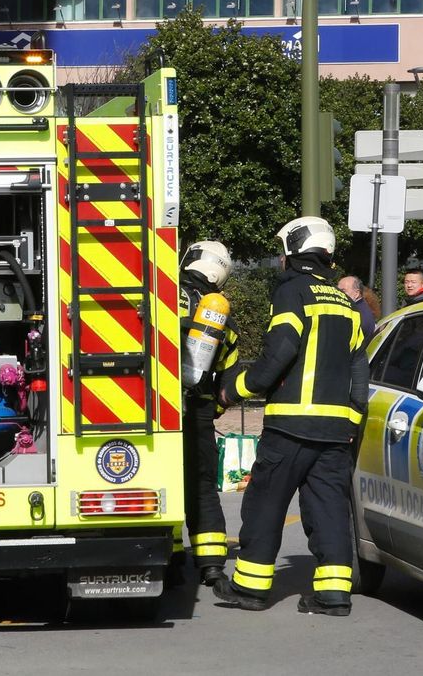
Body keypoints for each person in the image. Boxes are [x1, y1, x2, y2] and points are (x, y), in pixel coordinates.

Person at [214, 216, 369, 617]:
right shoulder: (347, 304)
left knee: (265, 505)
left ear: (294, 252)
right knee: (330, 510)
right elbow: (359, 374)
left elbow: (278, 355)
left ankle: (249, 589)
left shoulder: (292, 293)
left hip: (290, 427)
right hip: (335, 433)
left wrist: (234, 391)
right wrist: (351, 424)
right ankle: (334, 595)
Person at [178, 240, 241, 587]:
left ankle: (171, 557)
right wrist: (212, 409)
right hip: (199, 408)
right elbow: (228, 380)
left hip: (159, 408)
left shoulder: (164, 292)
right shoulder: (221, 319)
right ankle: (212, 563)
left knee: (166, 482)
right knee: (202, 486)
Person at [338, 274, 377, 340]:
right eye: (337, 291)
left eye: (343, 291)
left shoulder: (356, 313)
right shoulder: (363, 308)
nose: (338, 294)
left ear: (357, 293)